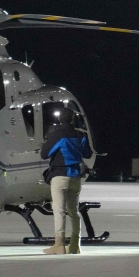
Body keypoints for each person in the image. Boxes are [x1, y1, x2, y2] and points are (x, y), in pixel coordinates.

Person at [40, 107, 92, 255]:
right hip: (76, 176)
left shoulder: (56, 135)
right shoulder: (81, 134)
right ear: (73, 119)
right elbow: (87, 154)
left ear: (59, 119)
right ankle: (75, 244)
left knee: (59, 210)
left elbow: (45, 154)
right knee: (74, 211)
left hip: (60, 175)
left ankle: (59, 244)